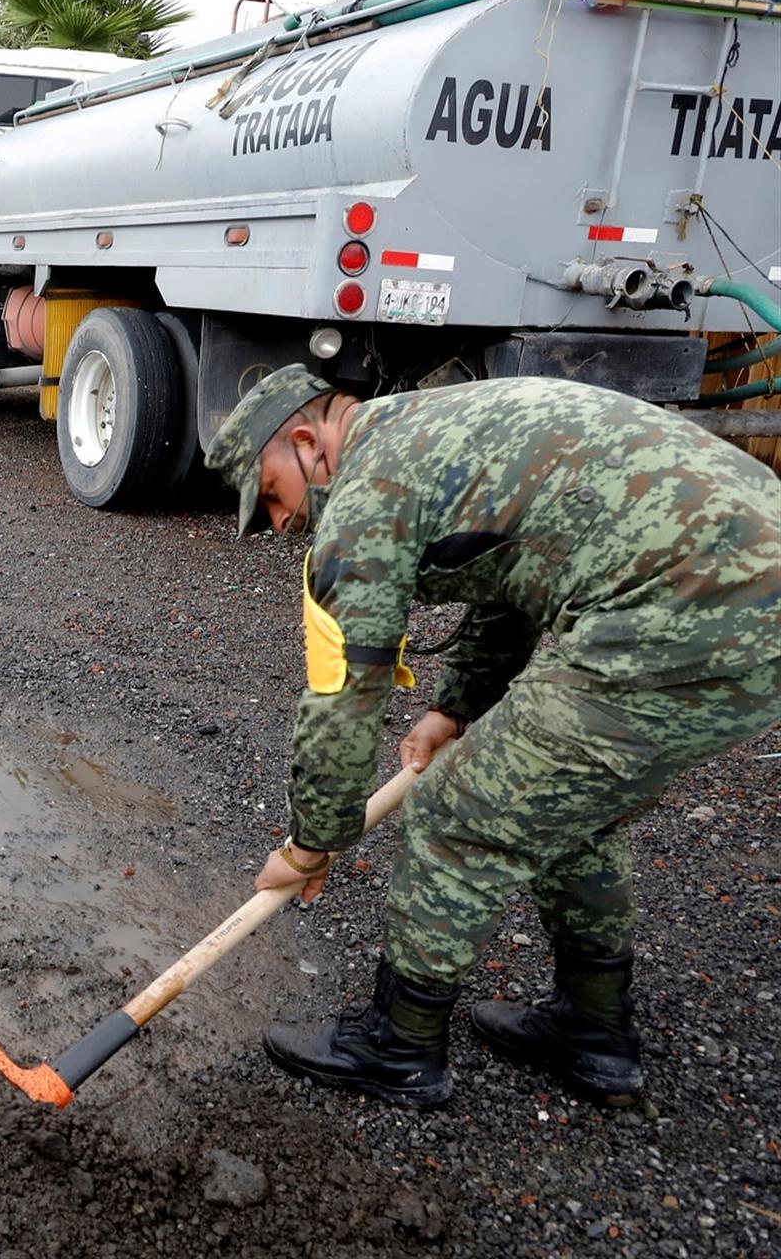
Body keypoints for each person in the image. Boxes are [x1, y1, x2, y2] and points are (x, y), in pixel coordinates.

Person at [204, 365, 781, 1109]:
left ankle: (400, 1045)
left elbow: (346, 691)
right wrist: (460, 707)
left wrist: (312, 841)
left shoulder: (369, 495)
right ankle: (593, 1032)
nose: (281, 523)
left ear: (308, 441)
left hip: (691, 607)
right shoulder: (430, 432)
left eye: (273, 495)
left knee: (455, 814)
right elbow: (516, 570)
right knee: (567, 804)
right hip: (738, 593)